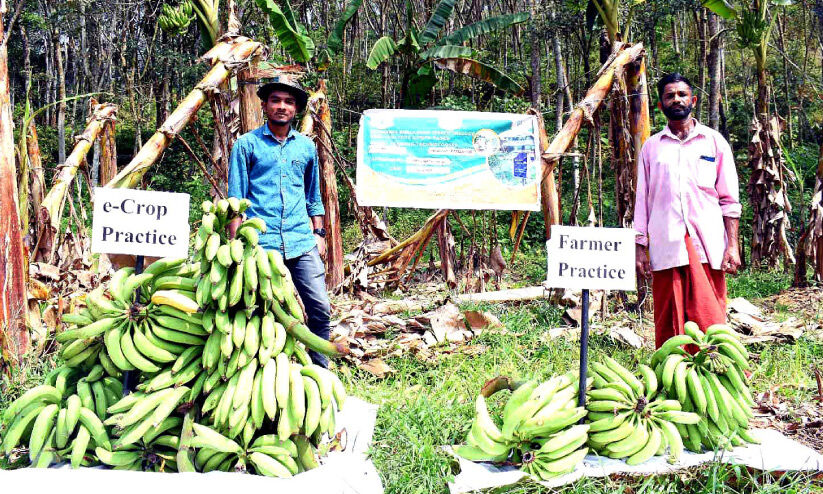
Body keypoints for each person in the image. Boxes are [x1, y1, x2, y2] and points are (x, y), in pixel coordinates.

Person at [228, 75, 331, 367]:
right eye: (275, 100)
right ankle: (268, 370)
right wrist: (237, 249)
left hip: (301, 240)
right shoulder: (246, 146)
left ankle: (320, 368)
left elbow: (313, 195)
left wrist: (319, 233)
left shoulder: (306, 148)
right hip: (262, 245)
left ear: (296, 108)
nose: (281, 106)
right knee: (264, 311)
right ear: (264, 105)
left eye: (288, 102)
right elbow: (236, 200)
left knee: (319, 308)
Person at [633, 73, 741, 349]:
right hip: (666, 243)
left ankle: (717, 372)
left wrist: (733, 246)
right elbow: (642, 200)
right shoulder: (651, 148)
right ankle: (672, 375)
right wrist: (639, 248)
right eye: (670, 96)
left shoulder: (714, 142)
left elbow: (730, 200)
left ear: (692, 100)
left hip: (706, 244)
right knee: (670, 320)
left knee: (709, 316)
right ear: (660, 106)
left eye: (682, 94)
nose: (676, 99)